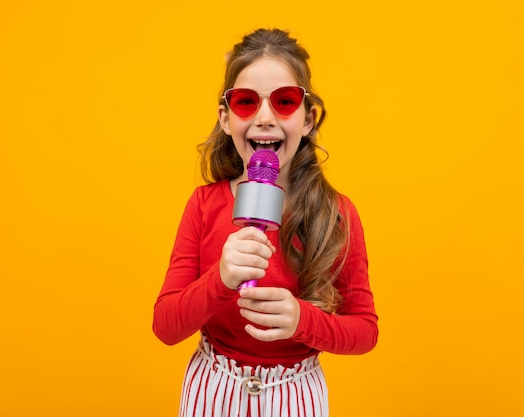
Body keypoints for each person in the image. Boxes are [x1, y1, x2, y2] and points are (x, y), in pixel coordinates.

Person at [153, 28, 378, 417]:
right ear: (225, 119)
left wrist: (302, 320)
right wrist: (220, 278)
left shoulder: (336, 213)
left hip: (295, 394)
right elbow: (166, 327)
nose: (265, 118)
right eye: (246, 102)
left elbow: (365, 331)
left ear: (308, 119)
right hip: (213, 387)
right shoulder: (204, 205)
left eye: (284, 102)